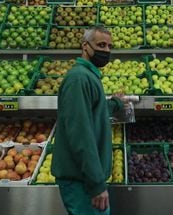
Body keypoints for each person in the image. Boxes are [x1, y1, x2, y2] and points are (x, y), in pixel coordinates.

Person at [52, 26, 125, 215]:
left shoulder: (89, 76)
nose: (106, 51)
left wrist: (115, 103)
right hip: (81, 180)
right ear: (85, 46)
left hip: (85, 177)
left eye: (110, 46)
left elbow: (93, 112)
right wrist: (96, 184)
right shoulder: (78, 79)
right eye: (101, 45)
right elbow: (80, 134)